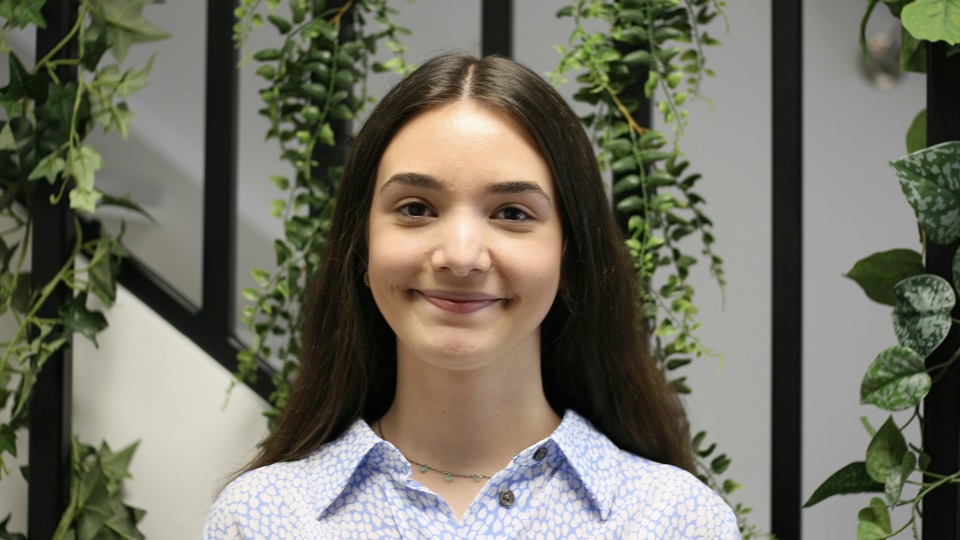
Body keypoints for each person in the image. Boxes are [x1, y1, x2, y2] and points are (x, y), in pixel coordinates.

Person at [204, 52, 739, 539]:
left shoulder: (675, 520)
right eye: (416, 208)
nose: (460, 256)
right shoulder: (260, 518)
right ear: (361, 247)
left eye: (512, 213)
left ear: (569, 256)